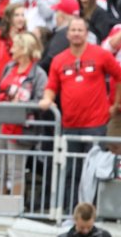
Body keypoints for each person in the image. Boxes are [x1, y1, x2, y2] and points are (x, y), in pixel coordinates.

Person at [39, 17, 121, 212]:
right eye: (73, 30)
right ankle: (70, 211)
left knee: (93, 170)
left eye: (80, 30)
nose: (76, 33)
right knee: (71, 171)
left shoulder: (101, 54)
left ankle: (92, 212)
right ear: (67, 34)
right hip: (70, 124)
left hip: (96, 124)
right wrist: (47, 99)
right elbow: (51, 86)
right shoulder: (59, 60)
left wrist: (116, 104)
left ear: (87, 34)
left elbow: (118, 75)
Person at [0, 32, 47, 195]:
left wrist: (21, 105)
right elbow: (1, 89)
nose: (12, 49)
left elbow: (40, 101)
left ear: (24, 49)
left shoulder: (39, 74)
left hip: (21, 127)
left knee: (16, 171)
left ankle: (14, 207)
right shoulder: (9, 67)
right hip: (2, 124)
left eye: (15, 46)